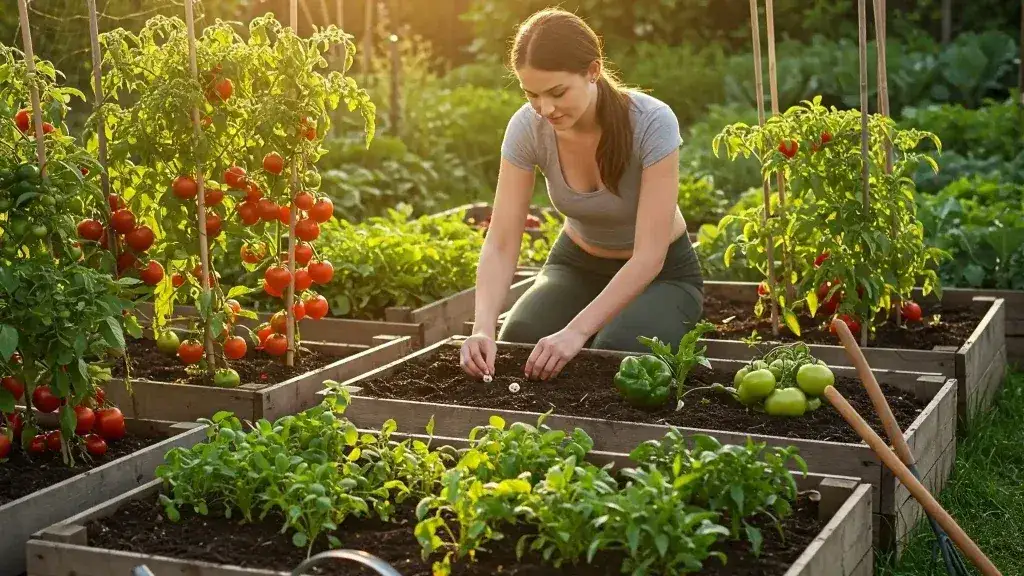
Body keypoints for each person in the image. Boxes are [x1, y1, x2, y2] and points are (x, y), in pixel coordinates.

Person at [460, 7, 704, 382]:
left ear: (593, 70)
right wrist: (482, 328)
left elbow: (649, 256)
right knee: (520, 342)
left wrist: (575, 332)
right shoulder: (528, 128)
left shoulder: (652, 122)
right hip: (576, 265)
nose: (546, 109)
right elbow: (502, 240)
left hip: (662, 275)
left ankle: (645, 320)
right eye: (531, 95)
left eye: (557, 92)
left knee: (619, 356)